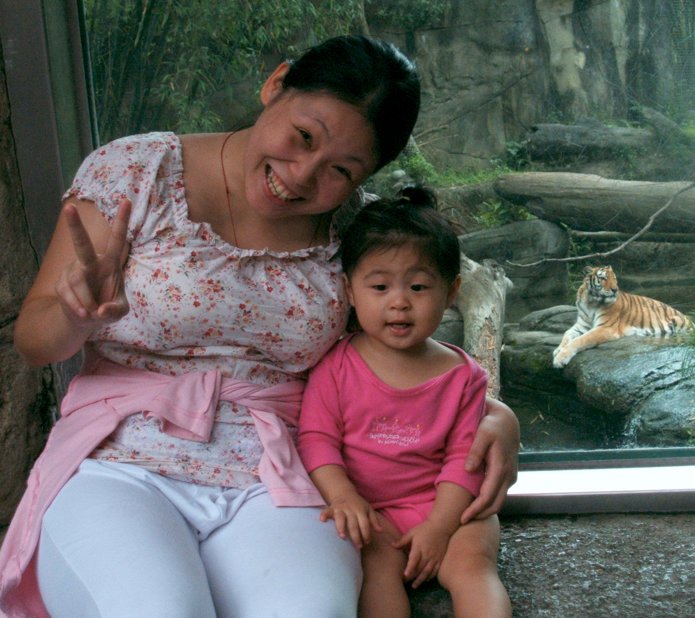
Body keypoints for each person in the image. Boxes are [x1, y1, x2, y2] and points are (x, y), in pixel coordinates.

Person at [1, 34, 519, 618]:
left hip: (280, 471)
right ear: (276, 85)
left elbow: (396, 340)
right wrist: (73, 316)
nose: (301, 176)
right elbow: (34, 342)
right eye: (304, 136)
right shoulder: (137, 171)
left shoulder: (352, 227)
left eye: (340, 170)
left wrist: (495, 414)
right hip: (124, 460)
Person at [297, 185, 513, 618]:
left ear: (450, 293)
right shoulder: (335, 366)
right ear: (350, 290)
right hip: (372, 511)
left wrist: (439, 527)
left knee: (473, 568)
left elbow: (464, 459)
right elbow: (316, 440)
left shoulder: (463, 376)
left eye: (418, 287)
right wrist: (343, 497)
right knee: (374, 571)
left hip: (450, 507)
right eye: (380, 286)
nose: (399, 302)